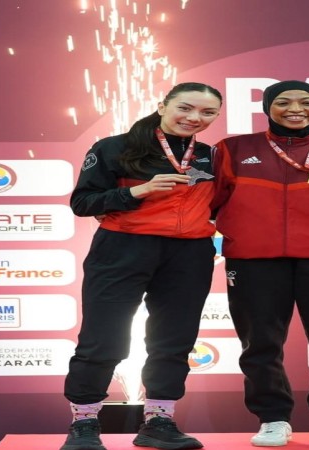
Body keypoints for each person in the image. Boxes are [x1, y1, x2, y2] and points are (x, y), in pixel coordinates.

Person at [61, 82, 223, 450]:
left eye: (207, 112)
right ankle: (84, 423)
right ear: (163, 105)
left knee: (174, 339)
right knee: (104, 338)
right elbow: (83, 203)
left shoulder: (211, 156)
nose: (194, 117)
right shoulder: (115, 147)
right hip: (123, 248)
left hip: (189, 253)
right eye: (185, 108)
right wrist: (137, 191)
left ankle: (159, 421)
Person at [210, 80, 309, 449]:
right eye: (283, 102)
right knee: (260, 343)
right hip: (254, 260)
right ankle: (272, 418)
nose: (295, 109)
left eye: (305, 102)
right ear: (267, 107)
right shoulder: (232, 149)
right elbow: (210, 203)